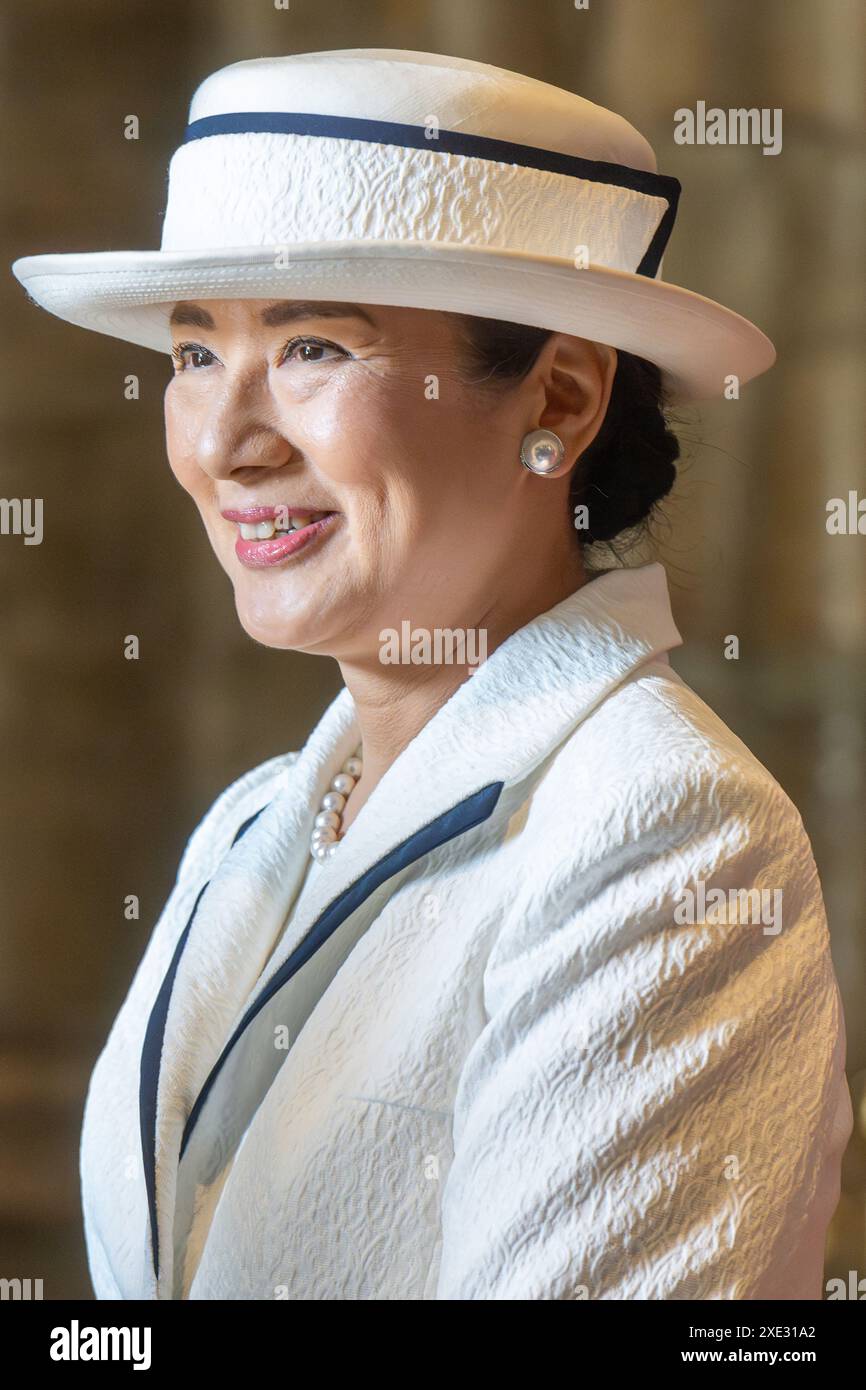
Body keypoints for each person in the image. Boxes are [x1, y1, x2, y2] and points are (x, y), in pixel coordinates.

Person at [11, 47, 853, 1300]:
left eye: (309, 348)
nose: (225, 444)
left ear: (556, 399)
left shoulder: (670, 830)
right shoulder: (252, 824)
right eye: (194, 357)